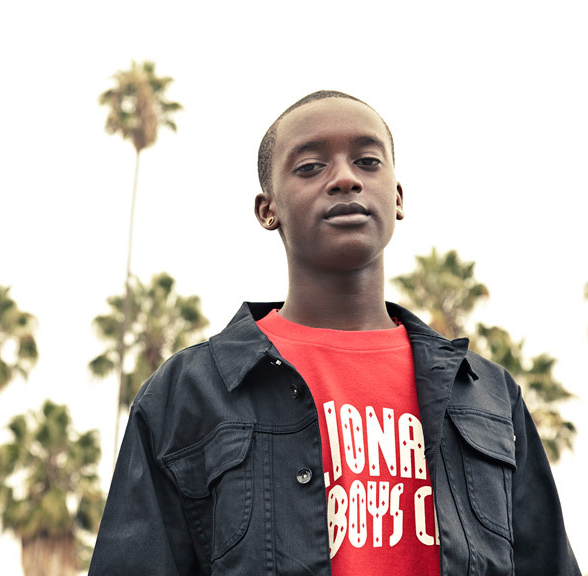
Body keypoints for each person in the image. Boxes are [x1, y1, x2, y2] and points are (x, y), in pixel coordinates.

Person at [88, 90, 581, 575]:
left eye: (368, 162)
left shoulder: (487, 394)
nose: (345, 178)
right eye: (310, 167)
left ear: (398, 197)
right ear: (267, 209)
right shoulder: (187, 393)